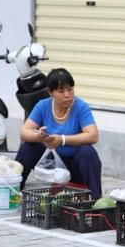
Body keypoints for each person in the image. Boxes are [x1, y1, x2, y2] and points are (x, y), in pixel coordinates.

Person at [16, 68, 102, 198]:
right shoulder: (43, 106)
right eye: (61, 91)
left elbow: (93, 135)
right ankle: (13, 192)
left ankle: (97, 201)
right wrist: (39, 137)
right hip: (51, 164)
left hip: (74, 166)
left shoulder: (81, 107)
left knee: (87, 152)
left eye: (70, 89)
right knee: (27, 148)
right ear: (51, 93)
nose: (67, 95)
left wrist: (62, 140)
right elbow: (24, 132)